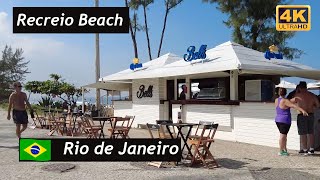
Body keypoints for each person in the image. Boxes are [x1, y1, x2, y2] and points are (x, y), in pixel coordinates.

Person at [275, 88, 308, 156]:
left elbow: (287, 103)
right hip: (284, 120)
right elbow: (294, 106)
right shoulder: (285, 101)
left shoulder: (277, 100)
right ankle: (281, 151)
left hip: (278, 119)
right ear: (286, 93)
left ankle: (284, 149)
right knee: (283, 136)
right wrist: (303, 110)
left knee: (284, 135)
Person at [293, 81, 320, 155]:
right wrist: (311, 107)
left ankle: (304, 149)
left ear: (300, 88)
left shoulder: (298, 95)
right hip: (310, 114)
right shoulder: (312, 95)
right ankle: (311, 149)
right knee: (311, 132)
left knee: (303, 133)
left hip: (302, 115)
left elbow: (290, 102)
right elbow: (318, 105)